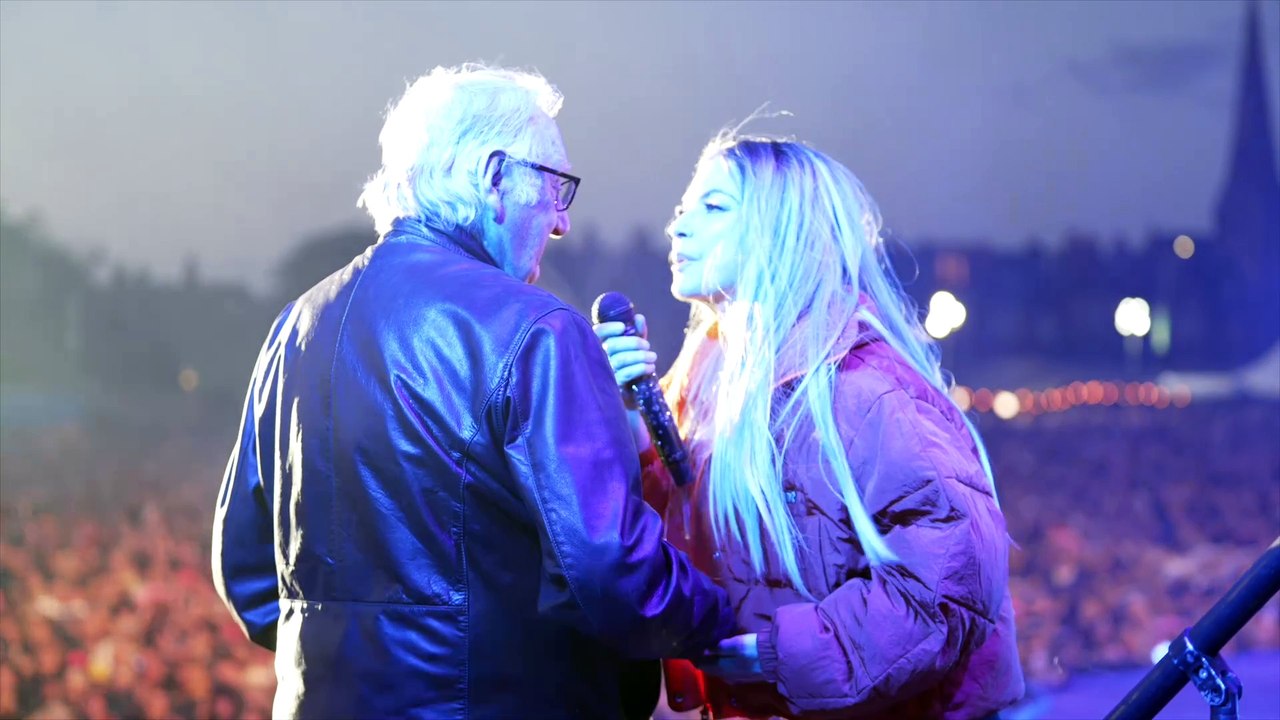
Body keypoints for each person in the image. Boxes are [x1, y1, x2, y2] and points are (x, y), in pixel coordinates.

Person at [211, 64, 735, 720]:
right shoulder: (538, 328)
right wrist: (726, 613)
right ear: (494, 177)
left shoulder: (294, 327)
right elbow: (612, 576)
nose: (562, 222)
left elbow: (251, 578)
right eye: (555, 188)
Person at [594, 129, 1025, 719]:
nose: (679, 226)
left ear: (785, 229)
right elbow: (678, 525)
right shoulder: (705, 372)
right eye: (681, 209)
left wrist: (782, 655)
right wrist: (628, 424)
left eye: (714, 207)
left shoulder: (863, 388)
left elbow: (950, 586)